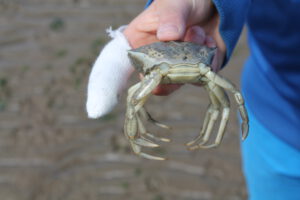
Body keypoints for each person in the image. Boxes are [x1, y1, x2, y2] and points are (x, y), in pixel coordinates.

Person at [88, 0, 300, 199]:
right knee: (137, 101)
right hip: (278, 109)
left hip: (274, 107)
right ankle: (142, 137)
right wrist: (212, 5)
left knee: (221, 102)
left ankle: (153, 137)